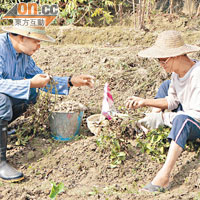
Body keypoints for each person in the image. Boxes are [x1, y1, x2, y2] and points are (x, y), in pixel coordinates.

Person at [0, 26, 95, 182]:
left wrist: (71, 81)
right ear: (20, 37)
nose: (39, 46)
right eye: (36, 41)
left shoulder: (24, 55)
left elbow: (42, 80)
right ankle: (1, 162)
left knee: (31, 94)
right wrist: (30, 83)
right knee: (2, 100)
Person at [125, 30, 200, 192]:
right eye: (158, 60)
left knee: (182, 120)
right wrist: (144, 102)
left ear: (178, 56)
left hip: (196, 120)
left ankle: (164, 177)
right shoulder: (176, 74)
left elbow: (195, 115)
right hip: (187, 112)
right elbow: (172, 101)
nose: (161, 64)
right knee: (165, 87)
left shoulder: (198, 75)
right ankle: (153, 121)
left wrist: (166, 118)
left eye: (163, 60)